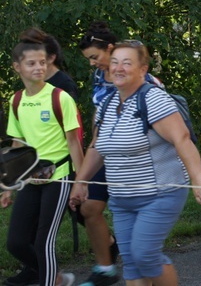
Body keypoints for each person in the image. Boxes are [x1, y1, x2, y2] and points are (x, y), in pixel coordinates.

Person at [69, 40, 201, 285]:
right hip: (122, 198)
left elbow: (182, 139)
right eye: (115, 62)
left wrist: (198, 179)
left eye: (127, 63)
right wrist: (81, 181)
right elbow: (96, 147)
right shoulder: (106, 104)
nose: (118, 68)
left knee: (145, 255)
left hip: (159, 194)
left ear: (143, 69)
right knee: (133, 264)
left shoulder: (153, 100)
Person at [77, 21, 164, 286]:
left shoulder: (144, 79)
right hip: (106, 151)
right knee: (88, 207)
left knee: (139, 243)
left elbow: (163, 121)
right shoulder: (98, 76)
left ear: (111, 49)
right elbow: (98, 116)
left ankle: (145, 262)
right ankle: (106, 267)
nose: (93, 63)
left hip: (137, 159)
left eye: (95, 57)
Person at [2, 37, 84, 286]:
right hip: (30, 178)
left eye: (42, 62)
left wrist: (80, 182)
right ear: (17, 66)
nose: (39, 68)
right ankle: (56, 279)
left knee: (43, 242)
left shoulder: (60, 98)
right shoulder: (16, 101)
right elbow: (18, 147)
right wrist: (7, 186)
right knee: (15, 242)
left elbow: (74, 143)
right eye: (31, 63)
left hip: (58, 177)